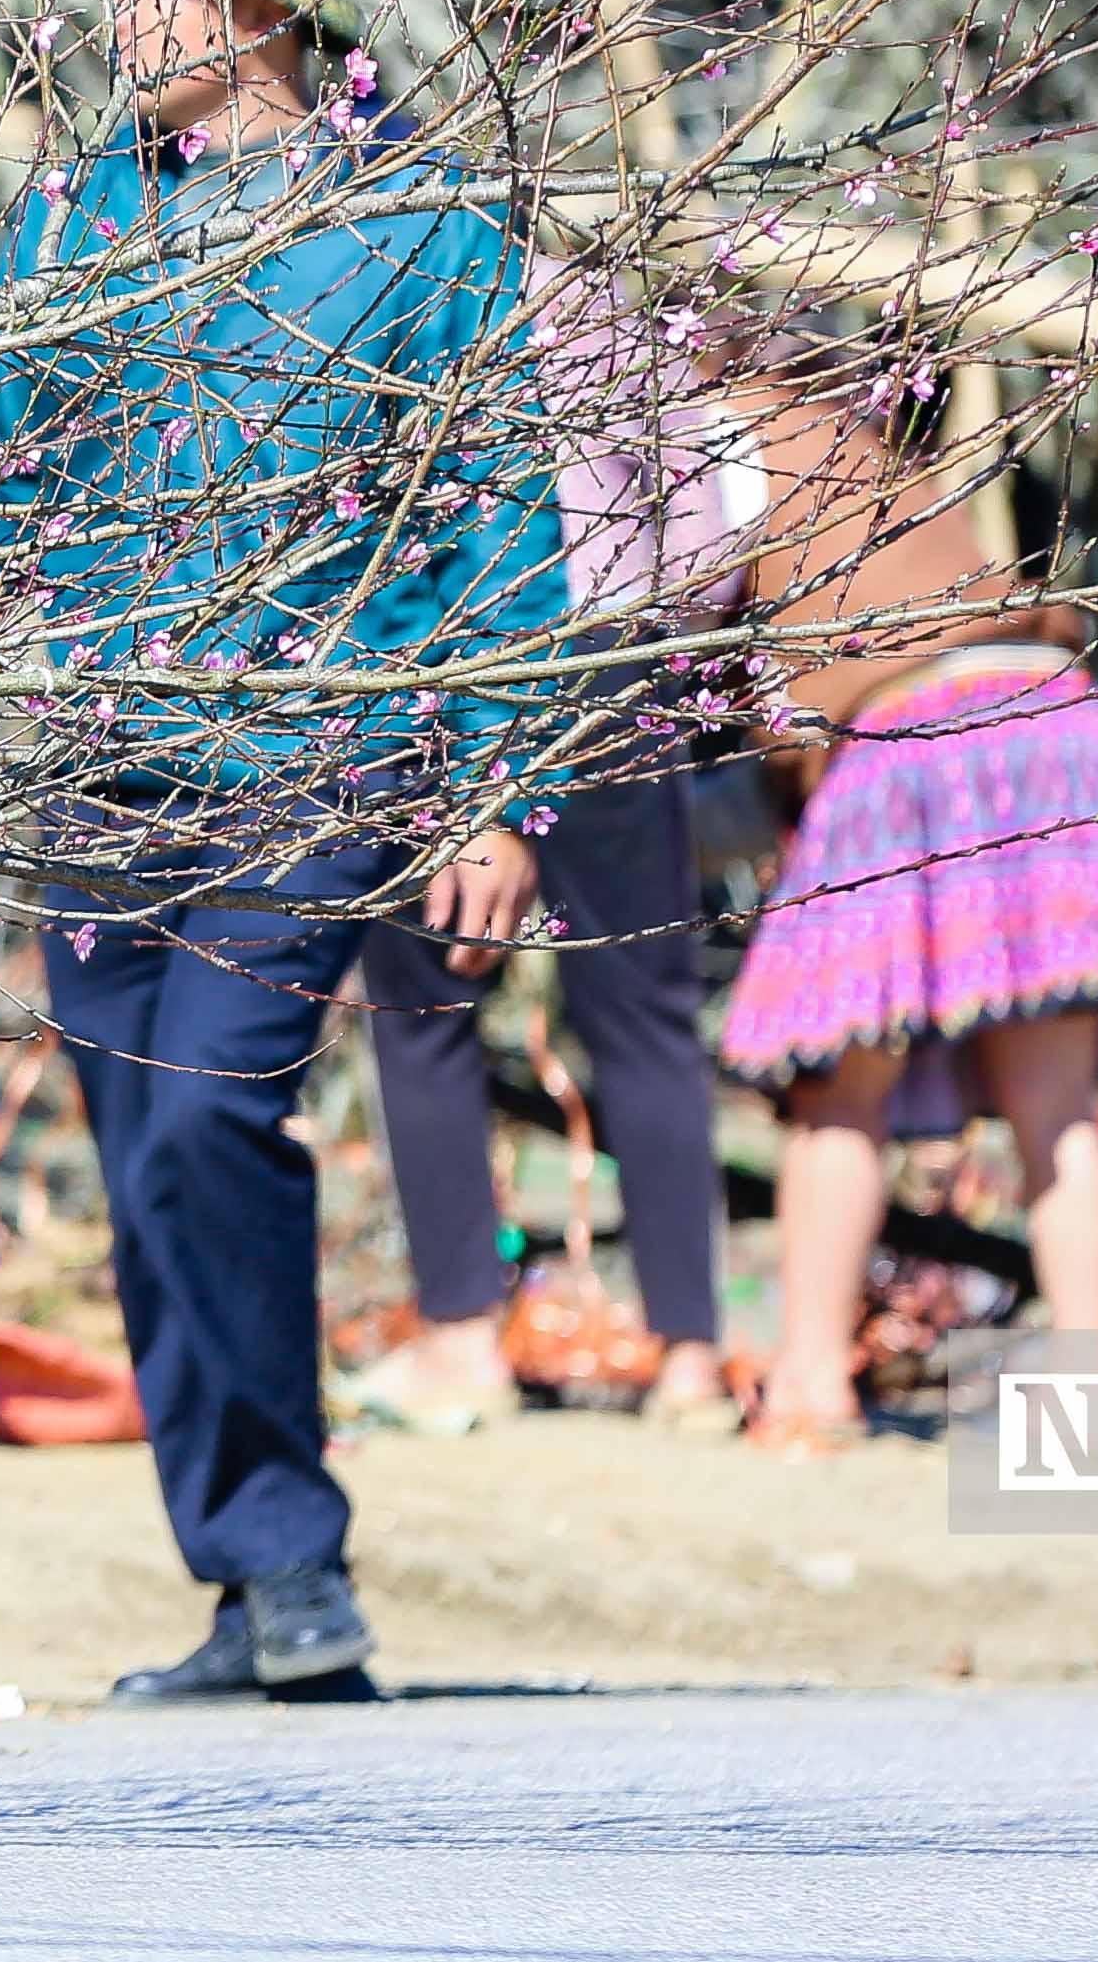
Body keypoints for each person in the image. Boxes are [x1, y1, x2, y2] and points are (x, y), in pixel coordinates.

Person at [0, 0, 568, 1704]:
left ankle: (292, 1562)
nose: (123, 11)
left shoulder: (424, 224)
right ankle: (243, 1576)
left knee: (208, 1112)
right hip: (97, 758)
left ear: (270, 5)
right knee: (139, 1162)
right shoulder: (67, 221)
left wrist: (492, 785)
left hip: (319, 752)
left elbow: (495, 505)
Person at [712, 376, 1098, 1452]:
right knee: (1057, 1105)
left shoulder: (701, 436)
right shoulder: (854, 432)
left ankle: (809, 1387)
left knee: (843, 1083)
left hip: (914, 725)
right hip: (1046, 709)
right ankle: (1086, 1397)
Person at [341, 280, 767, 1437]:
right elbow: (716, 515)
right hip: (608, 662)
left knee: (425, 1000)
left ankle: (464, 1337)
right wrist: (666, 643)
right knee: (642, 1015)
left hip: (454, 656)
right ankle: (689, 1355)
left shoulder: (408, 281)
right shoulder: (617, 314)